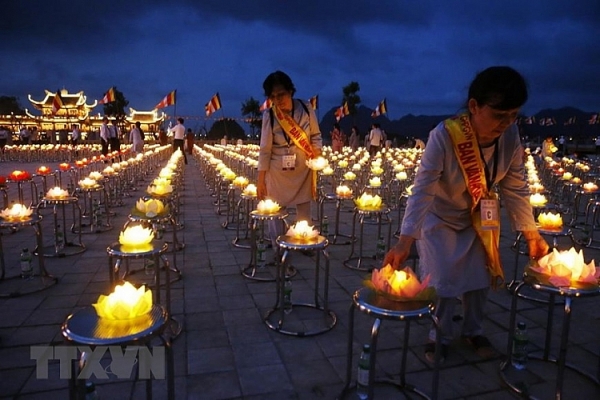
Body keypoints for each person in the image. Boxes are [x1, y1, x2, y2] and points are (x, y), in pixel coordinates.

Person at [383, 66, 549, 364]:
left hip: (479, 217)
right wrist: (405, 241)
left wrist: (531, 234)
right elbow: (422, 190)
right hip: (441, 217)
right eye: (499, 115)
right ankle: (439, 334)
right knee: (443, 279)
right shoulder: (444, 136)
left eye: (513, 115)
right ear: (474, 106)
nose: (506, 122)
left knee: (479, 278)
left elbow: (515, 187)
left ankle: (474, 330)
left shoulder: (510, 137)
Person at [257, 70, 322, 240]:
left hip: (302, 167)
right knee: (277, 209)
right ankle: (277, 242)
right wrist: (260, 180)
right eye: (273, 96)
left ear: (291, 91)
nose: (278, 100)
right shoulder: (270, 115)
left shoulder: (306, 108)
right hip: (278, 170)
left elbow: (315, 135)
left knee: (304, 206)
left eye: (281, 94)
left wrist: (317, 153)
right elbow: (265, 149)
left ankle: (303, 238)